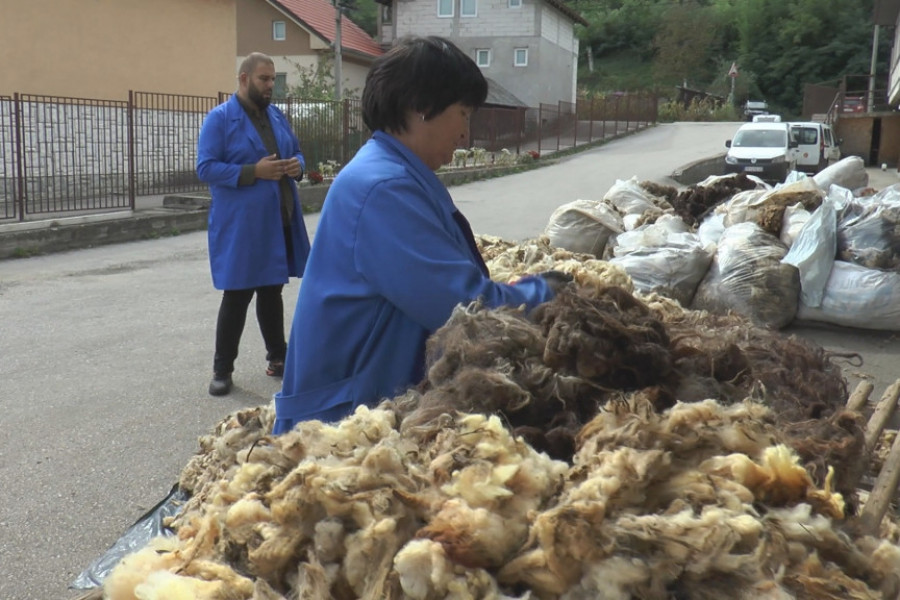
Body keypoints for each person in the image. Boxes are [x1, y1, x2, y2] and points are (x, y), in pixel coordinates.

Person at [272, 36, 569, 434]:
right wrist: (546, 292)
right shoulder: (383, 188)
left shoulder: (396, 172)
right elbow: (463, 308)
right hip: (345, 421)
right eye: (463, 114)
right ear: (422, 108)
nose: (465, 134)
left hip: (368, 398)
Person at [197, 52, 311, 396]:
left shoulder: (276, 116)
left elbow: (298, 153)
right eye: (264, 79)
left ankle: (278, 358)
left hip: (278, 219)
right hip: (242, 225)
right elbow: (206, 168)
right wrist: (253, 172)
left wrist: (298, 167)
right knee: (237, 293)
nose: (270, 85)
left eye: (273, 79)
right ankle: (222, 369)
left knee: (272, 289)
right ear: (244, 79)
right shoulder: (220, 119)